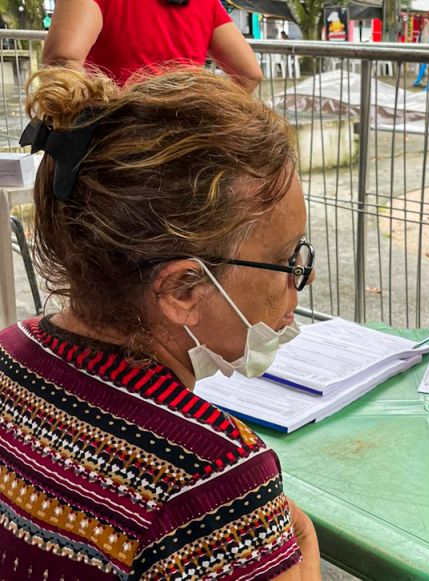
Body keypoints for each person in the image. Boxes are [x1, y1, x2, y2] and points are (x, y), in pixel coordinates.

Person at [0, 67, 320, 579]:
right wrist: (297, 545)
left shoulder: (7, 349)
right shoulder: (214, 479)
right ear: (183, 290)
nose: (300, 281)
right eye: (288, 261)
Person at [42, 0, 264, 93]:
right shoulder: (205, 2)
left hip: (114, 149)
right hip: (187, 142)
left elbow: (62, 62)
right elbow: (250, 74)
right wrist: (209, 113)